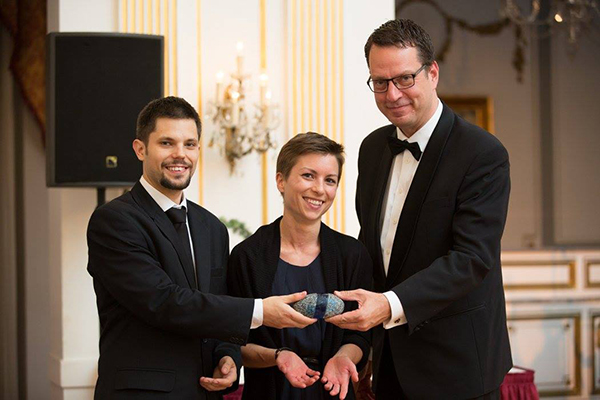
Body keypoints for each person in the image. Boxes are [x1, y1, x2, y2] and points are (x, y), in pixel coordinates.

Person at [327, 19, 512, 399]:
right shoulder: (372, 148)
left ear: (433, 73)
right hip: (390, 363)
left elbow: (471, 259)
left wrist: (387, 306)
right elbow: (373, 251)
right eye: (380, 82)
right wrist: (361, 346)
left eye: (404, 79)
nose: (392, 94)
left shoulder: (482, 153)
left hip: (457, 366)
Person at [87, 96, 317, 399]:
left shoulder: (212, 227)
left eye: (190, 144)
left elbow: (217, 304)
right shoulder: (114, 220)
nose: (180, 155)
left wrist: (227, 357)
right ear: (140, 149)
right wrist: (260, 310)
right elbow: (163, 302)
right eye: (167, 143)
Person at [227, 132, 373, 400]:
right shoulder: (247, 257)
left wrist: (343, 356)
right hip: (268, 393)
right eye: (308, 175)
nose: (319, 189)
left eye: (330, 180)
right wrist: (278, 356)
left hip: (333, 392)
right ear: (281, 181)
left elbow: (362, 335)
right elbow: (234, 341)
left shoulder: (352, 254)